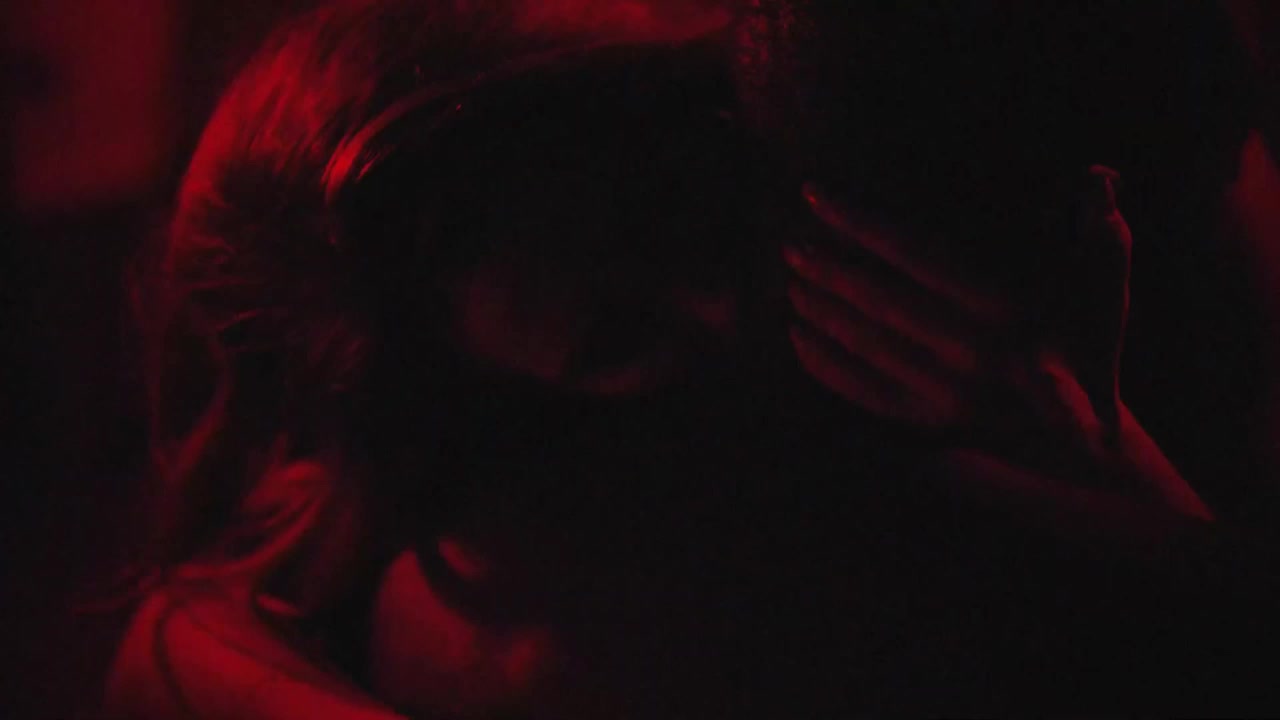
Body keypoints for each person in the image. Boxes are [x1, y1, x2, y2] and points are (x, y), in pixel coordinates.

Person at [104, 0, 1255, 717]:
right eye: (618, 337)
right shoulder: (612, 535)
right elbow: (172, 650)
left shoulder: (870, 88)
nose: (713, 304)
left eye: (666, 210)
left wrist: (1106, 477)